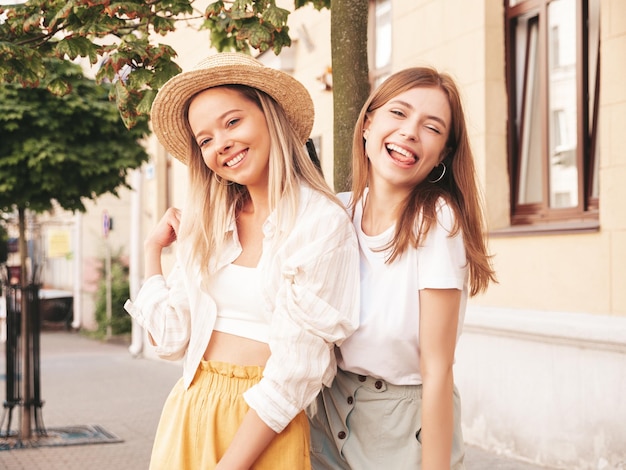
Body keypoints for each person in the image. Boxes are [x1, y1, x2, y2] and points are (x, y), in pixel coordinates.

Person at [124, 52, 360, 470]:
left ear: (269, 117)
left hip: (263, 424)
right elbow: (170, 340)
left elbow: (297, 371)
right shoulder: (212, 226)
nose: (221, 145)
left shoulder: (320, 222)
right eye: (206, 139)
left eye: (232, 122)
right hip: (190, 408)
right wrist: (151, 253)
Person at [308, 66, 497, 469]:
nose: (410, 131)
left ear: (442, 154)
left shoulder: (437, 221)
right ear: (368, 122)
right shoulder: (337, 212)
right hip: (328, 411)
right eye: (398, 113)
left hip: (401, 425)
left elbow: (438, 367)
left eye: (431, 127)